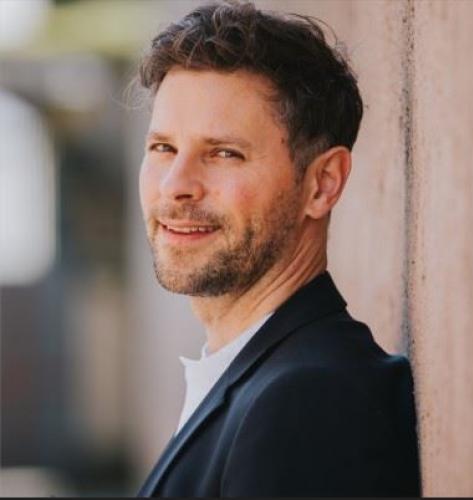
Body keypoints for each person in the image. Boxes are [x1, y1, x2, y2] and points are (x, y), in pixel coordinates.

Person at [136, 1, 421, 496]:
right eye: (163, 148)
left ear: (322, 183)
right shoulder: (258, 378)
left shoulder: (312, 398)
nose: (175, 185)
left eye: (224, 153)